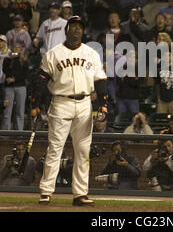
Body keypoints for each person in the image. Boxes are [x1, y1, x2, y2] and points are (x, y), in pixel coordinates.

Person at [36, 15, 108, 206]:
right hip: (61, 102)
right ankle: (46, 191)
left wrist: (103, 105)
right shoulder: (53, 53)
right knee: (55, 148)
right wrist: (39, 102)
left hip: (84, 103)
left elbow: (100, 81)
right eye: (73, 26)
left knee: (83, 150)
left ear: (83, 31)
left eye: (79, 27)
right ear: (66, 29)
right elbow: (41, 80)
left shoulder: (91, 53)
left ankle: (80, 194)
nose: (76, 29)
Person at [2, 44, 29, 131]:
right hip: (9, 87)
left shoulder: (24, 61)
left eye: (18, 48)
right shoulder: (7, 60)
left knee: (20, 111)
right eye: (14, 47)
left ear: (21, 50)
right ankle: (6, 133)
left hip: (20, 87)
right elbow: (5, 70)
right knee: (7, 111)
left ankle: (19, 133)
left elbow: (25, 74)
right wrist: (11, 59)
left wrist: (14, 79)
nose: (16, 49)